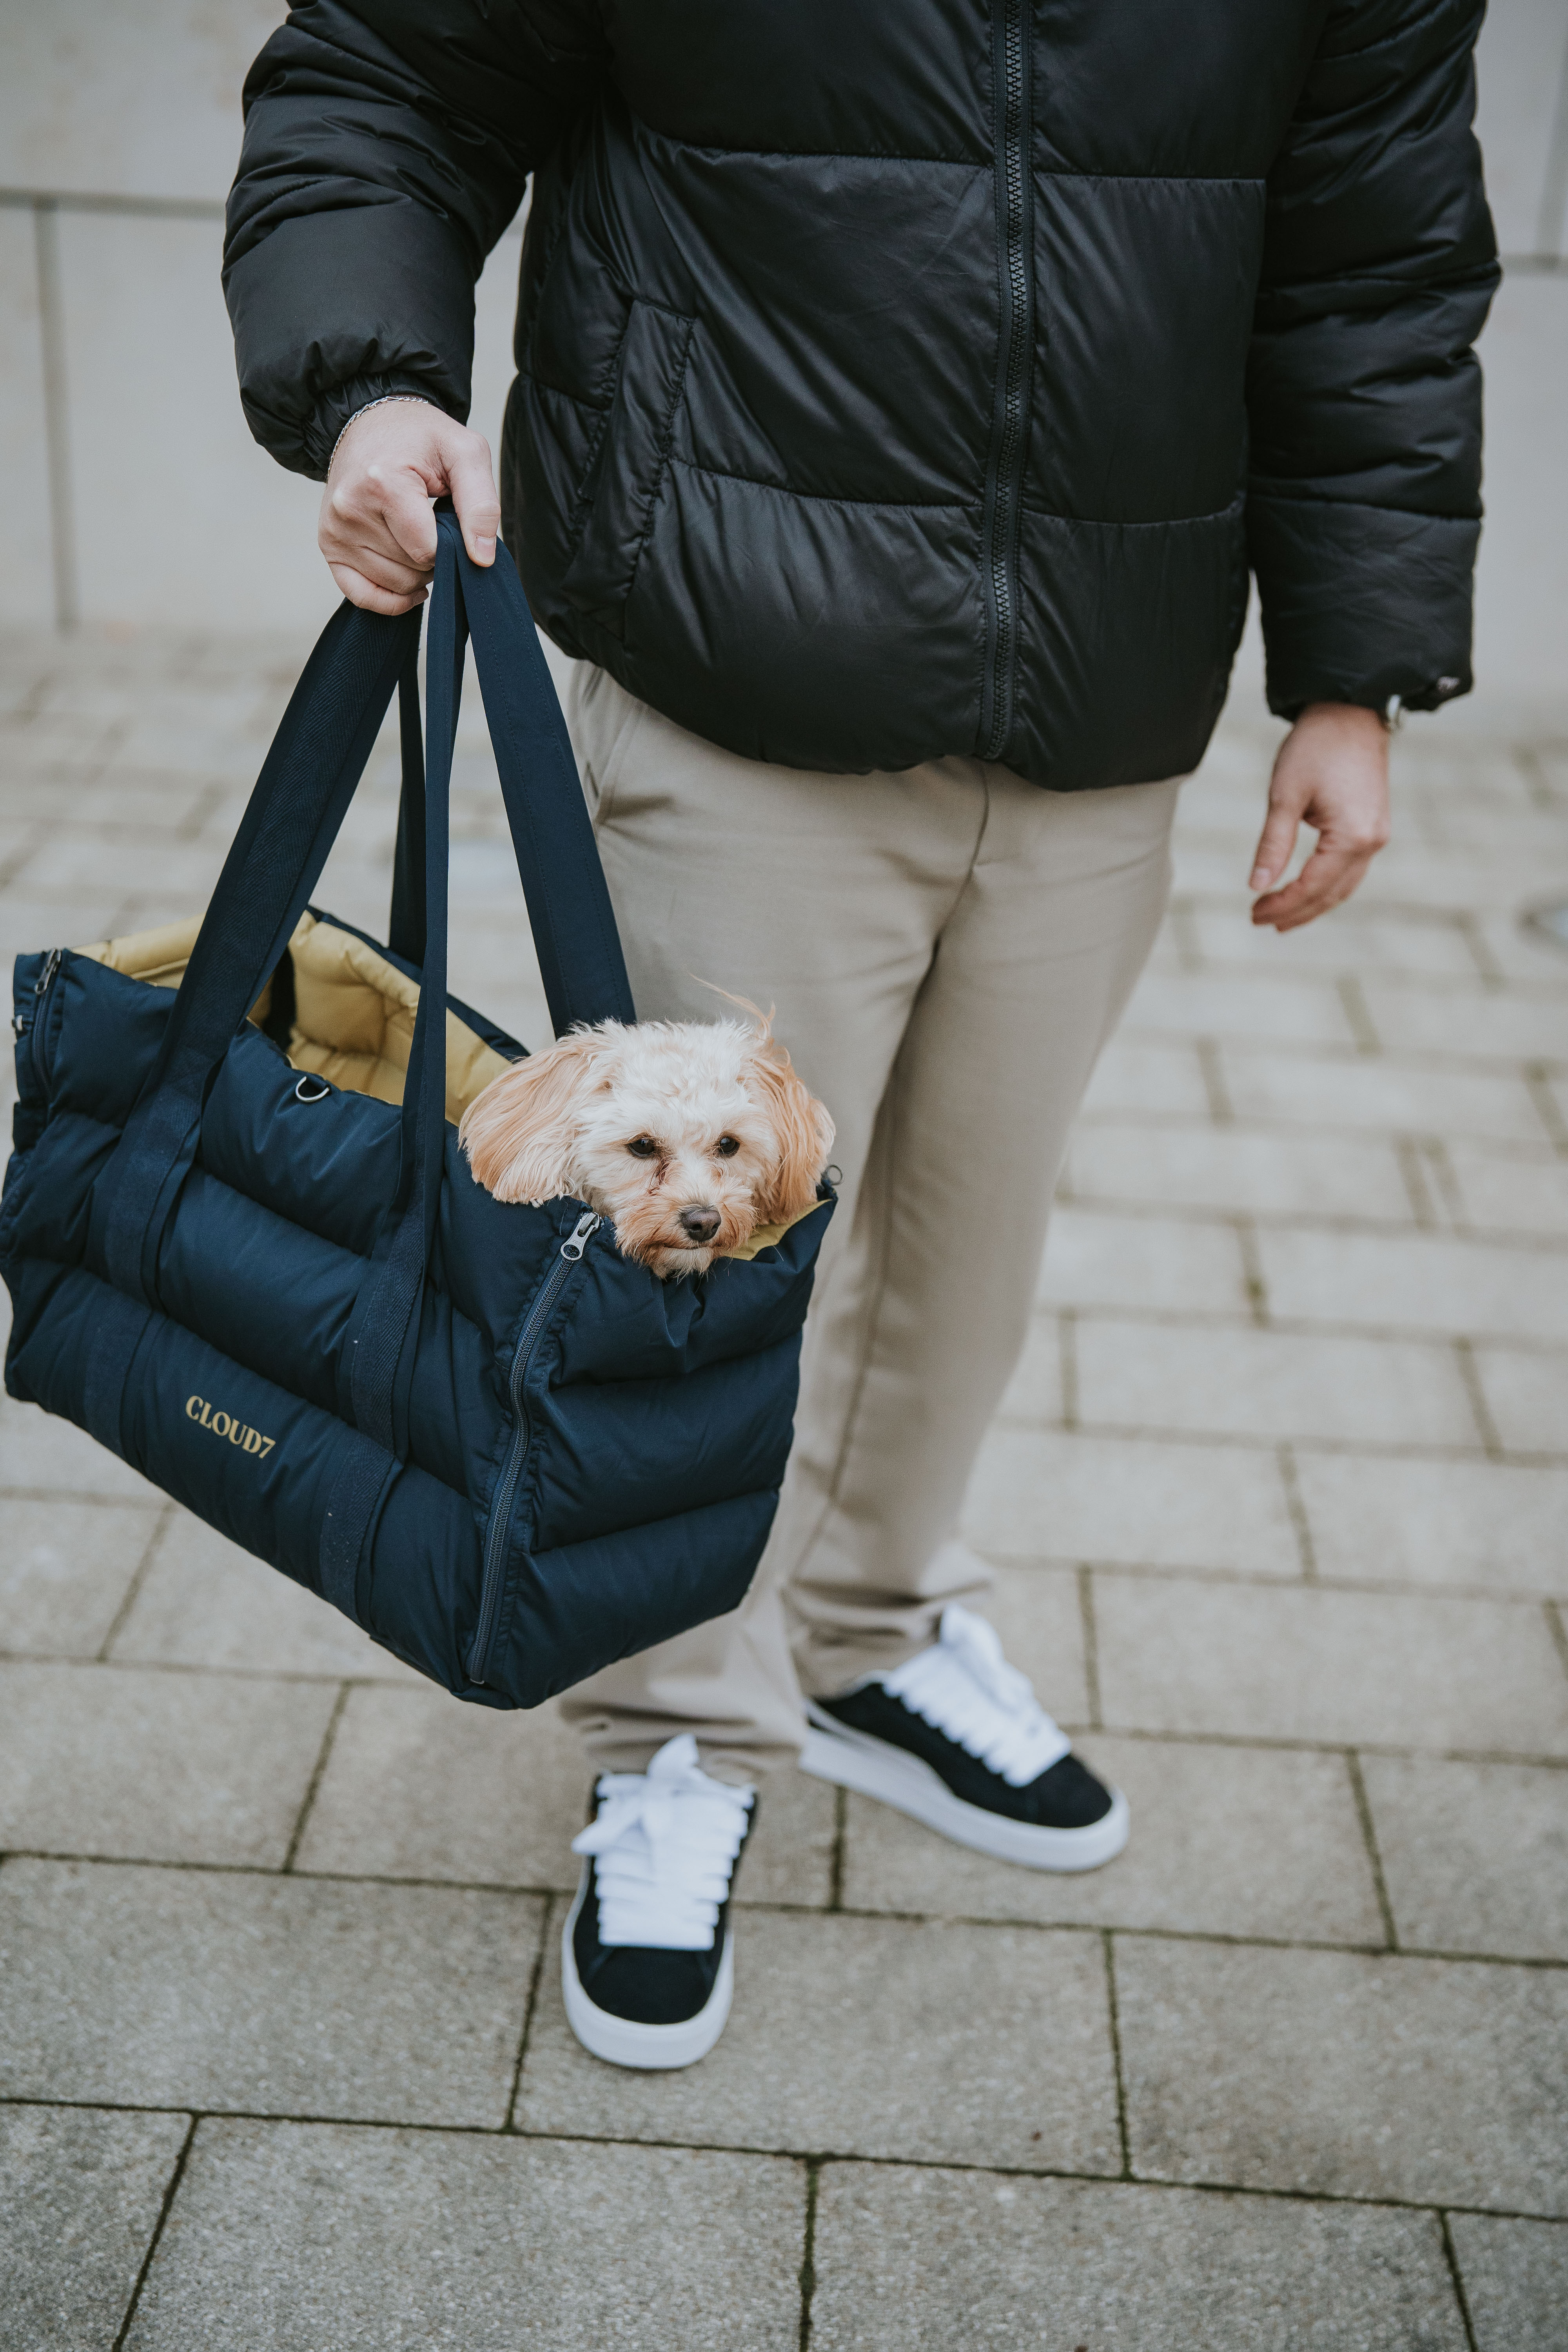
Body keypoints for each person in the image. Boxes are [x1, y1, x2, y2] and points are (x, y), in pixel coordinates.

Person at [226, 0, 1496, 2070]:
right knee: (684, 1269)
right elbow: (389, 73)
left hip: (1102, 702)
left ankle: (878, 1631)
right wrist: (375, 387)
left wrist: (1354, 673)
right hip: (734, 652)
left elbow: (1369, 250)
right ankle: (671, 1737)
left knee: (972, 1252)